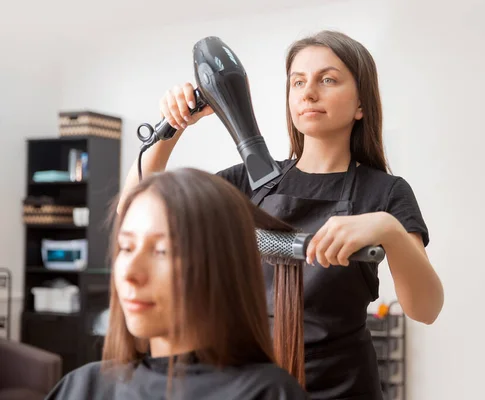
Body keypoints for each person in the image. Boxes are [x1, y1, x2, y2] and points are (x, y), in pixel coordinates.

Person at [118, 30, 445, 400]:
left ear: (361, 105)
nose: (308, 92)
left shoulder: (385, 193)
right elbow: (134, 211)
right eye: (297, 82)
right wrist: (170, 127)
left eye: (327, 79)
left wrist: (390, 230)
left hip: (342, 387)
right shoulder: (250, 181)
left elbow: (426, 309)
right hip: (249, 384)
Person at [46, 168, 309, 400]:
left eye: (162, 251)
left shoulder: (267, 393)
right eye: (126, 247)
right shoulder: (83, 387)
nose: (130, 274)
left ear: (219, 266)